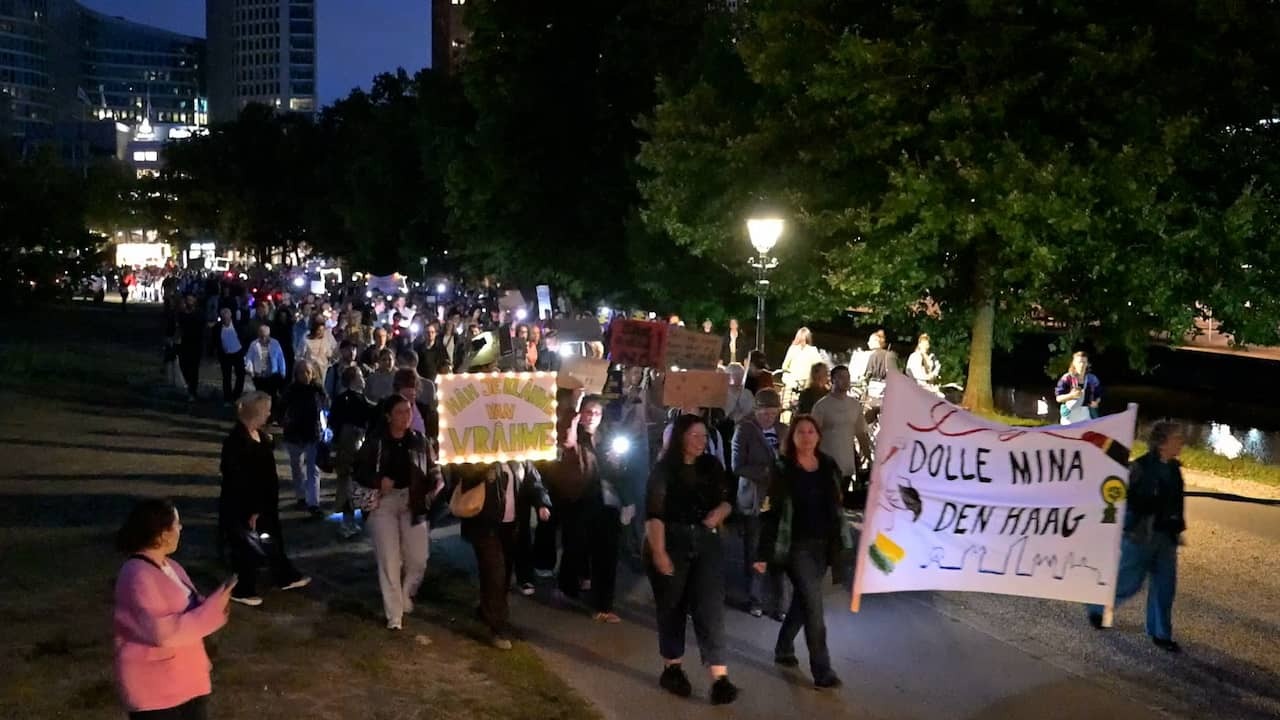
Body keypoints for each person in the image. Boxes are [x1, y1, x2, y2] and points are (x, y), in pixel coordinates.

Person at [645, 414, 739, 705]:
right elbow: (655, 514)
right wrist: (659, 553)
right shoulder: (664, 471)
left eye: (704, 437)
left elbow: (727, 499)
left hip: (706, 542)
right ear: (680, 438)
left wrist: (719, 513)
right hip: (672, 540)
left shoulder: (711, 467)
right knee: (672, 607)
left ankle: (719, 677)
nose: (701, 442)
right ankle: (672, 667)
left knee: (710, 607)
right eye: (694, 436)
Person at [754, 415, 852, 689]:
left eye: (811, 431)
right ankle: (823, 670)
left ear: (818, 436)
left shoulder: (829, 466)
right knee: (814, 607)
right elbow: (770, 513)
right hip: (795, 547)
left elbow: (840, 504)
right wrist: (762, 553)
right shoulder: (783, 468)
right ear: (792, 437)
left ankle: (784, 647)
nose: (807, 436)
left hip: (823, 546)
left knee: (803, 601)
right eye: (801, 432)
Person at [113, 499, 234, 719]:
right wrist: (211, 613)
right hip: (158, 691)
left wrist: (215, 602)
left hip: (185, 680)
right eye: (176, 524)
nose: (180, 529)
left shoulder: (170, 566)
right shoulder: (138, 576)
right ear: (161, 534)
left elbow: (190, 608)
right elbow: (162, 633)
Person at [1086, 422, 1186, 652]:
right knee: (1129, 583)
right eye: (1177, 438)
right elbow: (1124, 499)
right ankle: (1097, 609)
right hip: (1140, 537)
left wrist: (1178, 528)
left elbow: (1176, 502)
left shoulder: (1174, 469)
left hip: (1166, 538)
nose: (1181, 442)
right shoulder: (1139, 468)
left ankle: (1161, 634)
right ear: (1162, 443)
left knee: (1165, 587)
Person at [355, 394, 445, 630]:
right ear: (388, 416)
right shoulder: (375, 441)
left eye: (409, 411)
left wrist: (436, 480)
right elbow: (359, 470)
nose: (407, 416)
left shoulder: (419, 440)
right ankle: (394, 614)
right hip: (383, 502)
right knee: (389, 559)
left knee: (418, 558)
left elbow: (432, 466)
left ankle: (406, 593)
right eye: (401, 412)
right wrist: (377, 480)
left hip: (412, 500)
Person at [219, 392, 312, 606]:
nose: (270, 414)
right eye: (267, 410)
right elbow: (237, 479)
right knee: (247, 547)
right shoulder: (236, 442)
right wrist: (252, 509)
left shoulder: (259, 435)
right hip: (245, 506)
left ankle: (283, 575)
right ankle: (243, 588)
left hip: (263, 504)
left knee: (270, 540)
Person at [458, 461, 552, 649]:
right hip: (485, 528)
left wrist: (542, 503)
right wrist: (484, 468)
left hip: (510, 529)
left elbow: (535, 483)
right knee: (495, 573)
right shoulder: (481, 457)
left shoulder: (522, 460)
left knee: (500, 574)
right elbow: (465, 479)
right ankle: (498, 629)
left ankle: (487, 609)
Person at [557, 395, 634, 623]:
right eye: (588, 412)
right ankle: (567, 586)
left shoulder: (608, 437)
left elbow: (620, 471)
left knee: (607, 554)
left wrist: (618, 462)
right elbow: (567, 442)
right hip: (580, 500)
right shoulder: (576, 436)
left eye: (597, 413)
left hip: (608, 503)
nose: (592, 417)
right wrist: (574, 411)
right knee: (576, 547)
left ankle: (603, 605)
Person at [731, 388, 790, 618]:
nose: (769, 417)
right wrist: (764, 472)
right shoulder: (744, 430)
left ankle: (781, 604)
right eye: (765, 412)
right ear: (756, 411)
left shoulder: (784, 431)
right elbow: (737, 466)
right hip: (755, 499)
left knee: (780, 553)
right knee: (756, 551)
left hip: (778, 500)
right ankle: (755, 600)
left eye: (773, 413)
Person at [810, 366, 873, 508]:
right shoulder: (822, 406)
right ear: (832, 380)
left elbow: (861, 433)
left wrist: (869, 457)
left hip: (847, 465)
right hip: (826, 463)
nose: (846, 381)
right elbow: (812, 435)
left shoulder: (854, 405)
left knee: (840, 504)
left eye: (848, 377)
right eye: (841, 377)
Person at [278, 361, 328, 518]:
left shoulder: (317, 389)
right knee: (297, 467)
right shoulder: (291, 390)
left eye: (307, 372)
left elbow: (326, 406)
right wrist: (284, 421)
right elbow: (281, 408)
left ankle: (313, 503)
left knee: (313, 470)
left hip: (312, 434)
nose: (305, 375)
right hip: (294, 434)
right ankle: (301, 497)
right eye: (301, 372)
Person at [330, 368, 375, 539]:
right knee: (350, 484)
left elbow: (333, 422)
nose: (364, 379)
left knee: (346, 483)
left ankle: (348, 521)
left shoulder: (341, 399)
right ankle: (347, 523)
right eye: (361, 376)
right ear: (354, 380)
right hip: (352, 446)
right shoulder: (357, 400)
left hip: (343, 446)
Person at [245, 323, 287, 412]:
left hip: (272, 375)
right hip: (259, 375)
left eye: (265, 336)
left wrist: (283, 371)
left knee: (272, 396)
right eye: (261, 336)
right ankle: (261, 414)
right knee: (260, 396)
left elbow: (280, 358)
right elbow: (248, 358)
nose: (263, 338)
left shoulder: (275, 343)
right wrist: (251, 371)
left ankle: (272, 414)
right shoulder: (254, 345)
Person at [1055, 351, 1102, 424]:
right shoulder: (1066, 378)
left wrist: (1096, 402)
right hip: (1069, 416)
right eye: (1080, 362)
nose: (1082, 365)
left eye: (1084, 362)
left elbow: (1098, 396)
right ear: (1074, 363)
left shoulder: (1092, 379)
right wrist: (1071, 396)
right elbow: (1058, 398)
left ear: (1087, 364)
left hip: (1087, 414)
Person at [176, 295, 206, 402]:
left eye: (191, 299)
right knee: (184, 366)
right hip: (184, 344)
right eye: (187, 299)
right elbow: (179, 325)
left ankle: (192, 391)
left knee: (193, 369)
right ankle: (189, 386)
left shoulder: (199, 313)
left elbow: (202, 326)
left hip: (195, 344)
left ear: (195, 300)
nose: (189, 301)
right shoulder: (182, 313)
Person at [216, 308, 247, 404]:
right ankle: (227, 398)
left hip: (238, 353)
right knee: (226, 377)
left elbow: (244, 337)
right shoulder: (218, 327)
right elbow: (216, 341)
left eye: (227, 317)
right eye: (224, 318)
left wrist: (244, 351)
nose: (226, 319)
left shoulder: (237, 325)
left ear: (230, 316)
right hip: (225, 356)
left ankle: (236, 395)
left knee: (241, 375)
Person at [780, 327, 822, 396]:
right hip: (805, 384)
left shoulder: (793, 348)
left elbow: (784, 366)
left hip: (792, 383)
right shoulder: (813, 350)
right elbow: (820, 367)